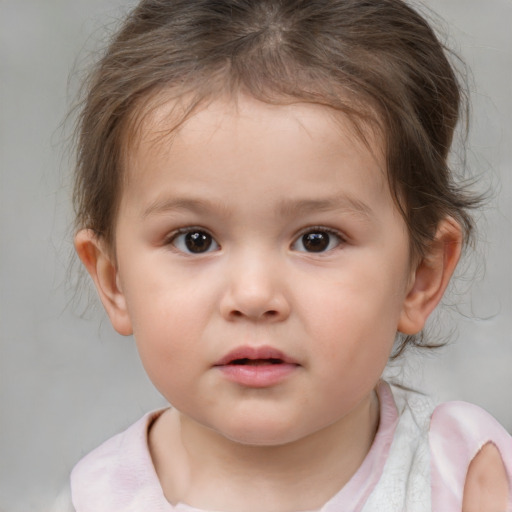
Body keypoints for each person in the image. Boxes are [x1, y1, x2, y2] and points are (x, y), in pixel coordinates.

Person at [60, 0, 512, 510]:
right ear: (114, 279)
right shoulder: (97, 499)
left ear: (420, 276)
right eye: (195, 239)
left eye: (316, 239)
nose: (254, 296)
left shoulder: (462, 480)